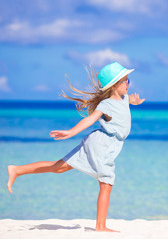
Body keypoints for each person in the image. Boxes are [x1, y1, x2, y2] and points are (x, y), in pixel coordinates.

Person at [6, 62, 145, 232]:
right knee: (106, 182)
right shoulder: (106, 105)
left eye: (129, 80)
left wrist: (135, 101)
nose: (129, 84)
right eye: (125, 81)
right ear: (114, 85)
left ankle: (17, 170)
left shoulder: (124, 98)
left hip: (102, 144)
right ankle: (101, 227)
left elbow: (127, 101)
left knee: (59, 168)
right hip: (101, 145)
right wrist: (70, 132)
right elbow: (89, 120)